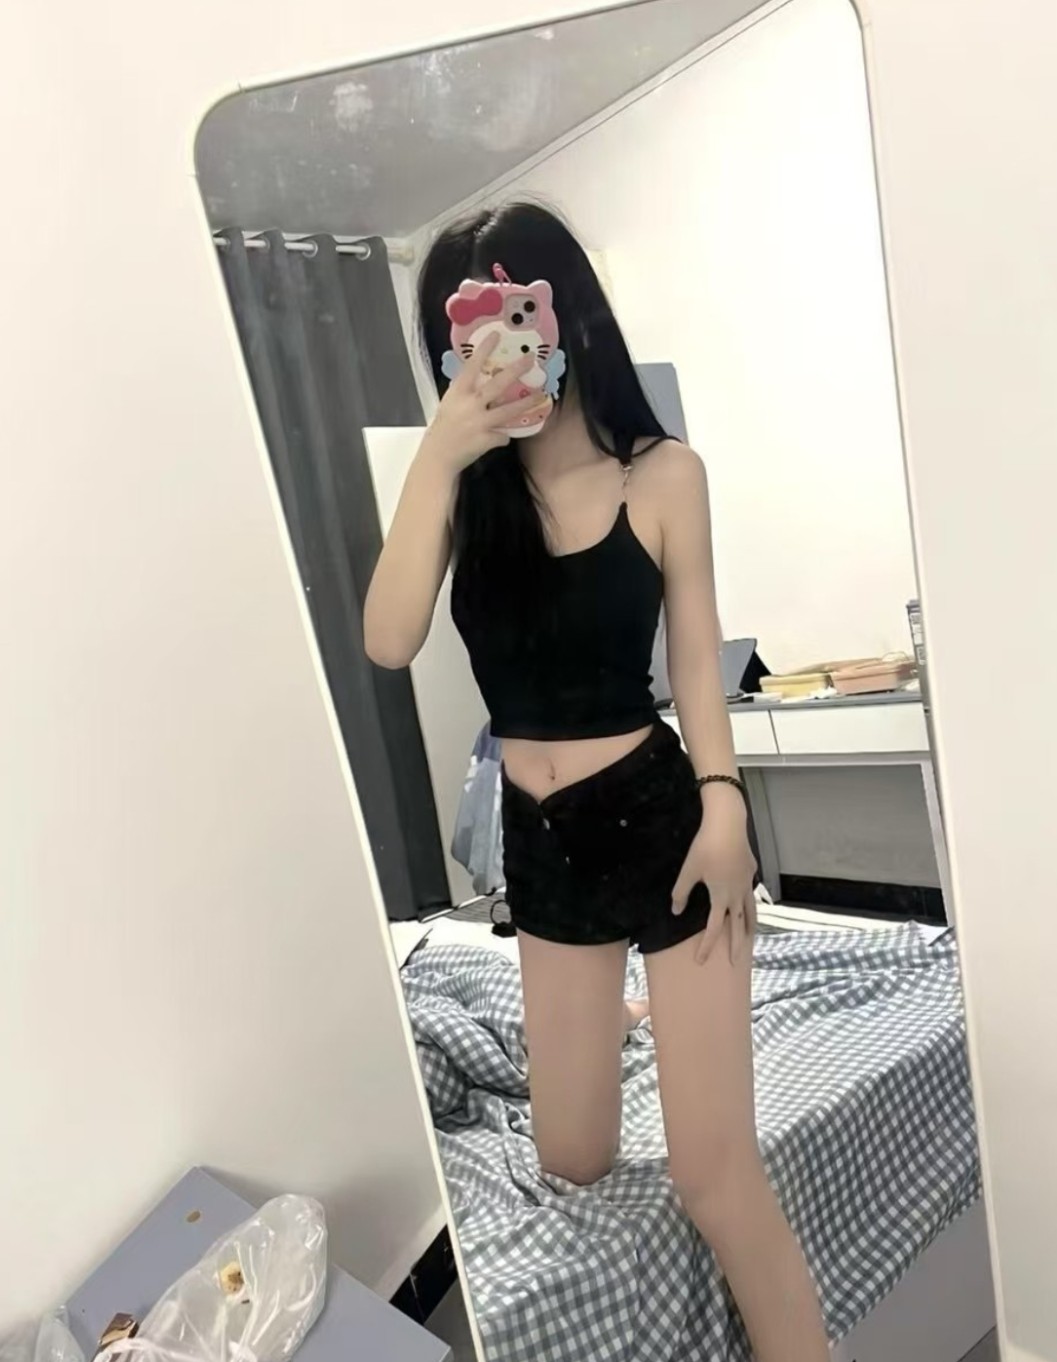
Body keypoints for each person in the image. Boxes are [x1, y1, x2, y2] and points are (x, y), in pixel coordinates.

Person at [364, 201, 828, 1361]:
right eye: (468, 331)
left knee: (713, 1176)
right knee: (571, 1157)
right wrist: (440, 451)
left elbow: (697, 662)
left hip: (661, 826)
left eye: (516, 315)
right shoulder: (469, 498)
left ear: (567, 314)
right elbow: (386, 638)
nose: (499, 349)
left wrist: (724, 807)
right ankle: (631, 1005)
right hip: (542, 846)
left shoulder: (663, 475)